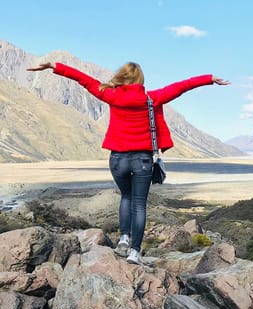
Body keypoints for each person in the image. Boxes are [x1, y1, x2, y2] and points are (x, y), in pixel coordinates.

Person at [27, 61, 230, 265]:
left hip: (117, 159)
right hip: (142, 159)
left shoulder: (111, 95)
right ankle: (134, 251)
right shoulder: (152, 98)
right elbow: (181, 86)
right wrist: (209, 79)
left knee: (126, 197)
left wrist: (54, 66)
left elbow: (83, 80)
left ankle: (123, 239)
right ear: (140, 79)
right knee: (139, 204)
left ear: (122, 77)